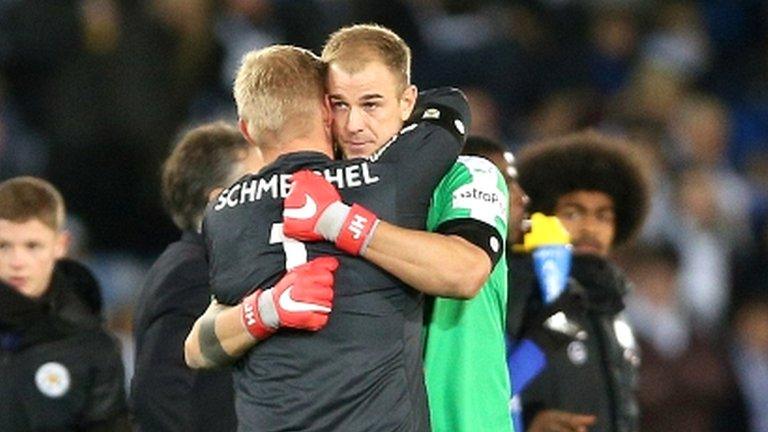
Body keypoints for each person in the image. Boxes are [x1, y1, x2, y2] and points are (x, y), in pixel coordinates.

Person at [186, 24, 514, 431]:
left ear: (407, 102)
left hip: (464, 421)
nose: (354, 124)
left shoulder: (467, 174)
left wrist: (343, 223)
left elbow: (464, 272)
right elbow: (200, 341)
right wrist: (267, 308)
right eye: (340, 104)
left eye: (371, 104)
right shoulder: (312, 191)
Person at [507, 131, 650, 432]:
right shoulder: (517, 290)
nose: (590, 229)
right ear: (538, 215)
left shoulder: (614, 304)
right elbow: (481, 385)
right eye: (572, 213)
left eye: (603, 216)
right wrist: (527, 424)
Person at [130, 122, 262, 431]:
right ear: (220, 201)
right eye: (255, 185)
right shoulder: (194, 272)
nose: (268, 196)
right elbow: (156, 393)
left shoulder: (191, 264)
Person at [0, 176, 130, 432]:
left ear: (61, 245)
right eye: (3, 246)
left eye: (32, 246)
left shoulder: (92, 348)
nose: (17, 261)